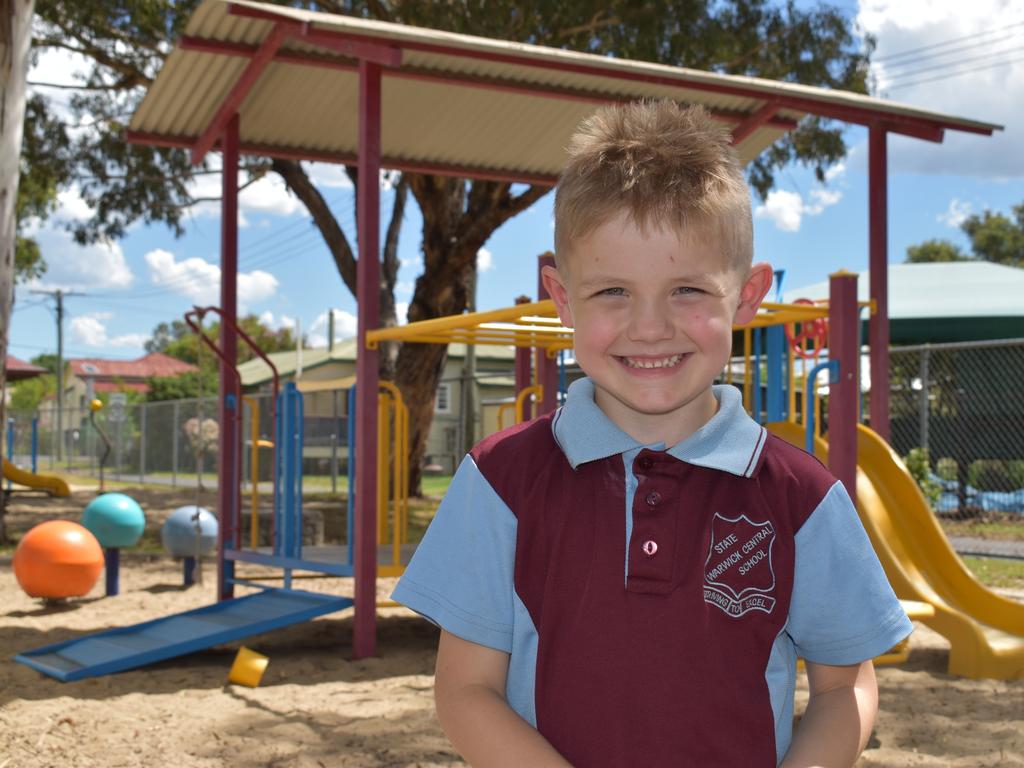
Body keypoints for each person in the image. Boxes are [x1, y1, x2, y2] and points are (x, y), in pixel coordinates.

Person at [392, 100, 911, 767]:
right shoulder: (500, 483)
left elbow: (846, 684)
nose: (650, 327)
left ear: (747, 296)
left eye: (688, 290)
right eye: (612, 292)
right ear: (562, 296)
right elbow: (465, 689)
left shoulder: (801, 497)